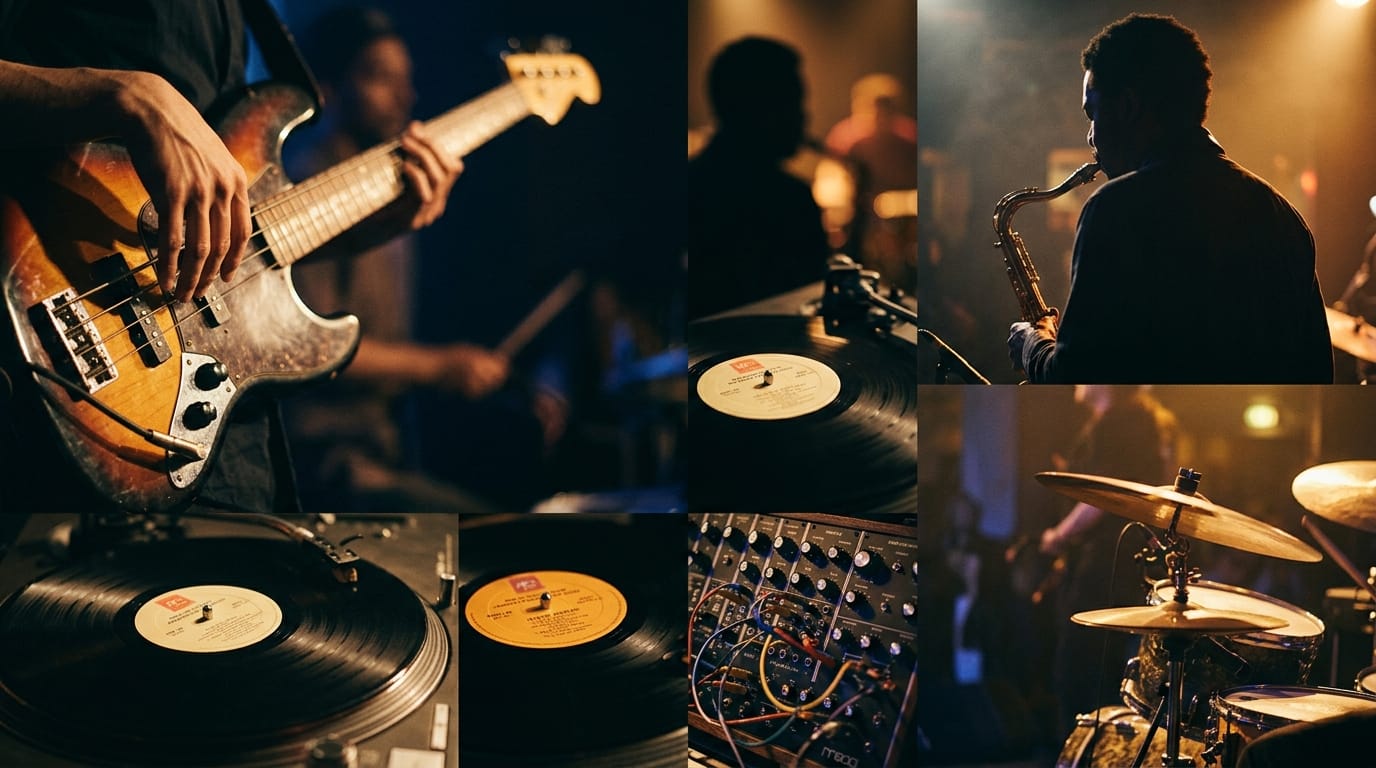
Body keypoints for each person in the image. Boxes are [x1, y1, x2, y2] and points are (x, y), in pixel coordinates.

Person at [0, 1, 462, 513]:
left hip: (212, 432)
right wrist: (129, 97)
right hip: (48, 369)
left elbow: (236, 243)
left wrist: (366, 229)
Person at [283, 6, 538, 513]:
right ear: (328, 89)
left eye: (407, 79)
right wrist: (442, 365)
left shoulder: (391, 184)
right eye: (380, 77)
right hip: (324, 460)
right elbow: (306, 344)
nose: (406, 96)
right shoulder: (307, 188)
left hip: (384, 446)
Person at [1007, 14, 1332, 384]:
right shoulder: (1283, 217)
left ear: (1129, 106)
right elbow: (1317, 371)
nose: (1091, 137)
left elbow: (1076, 374)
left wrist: (1035, 345)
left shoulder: (1114, 209)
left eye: (1092, 114)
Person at [1037, 385, 1177, 735]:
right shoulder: (1134, 421)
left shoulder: (1120, 423)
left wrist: (1058, 536)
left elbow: (1105, 496)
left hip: (1105, 564)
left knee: (1079, 673)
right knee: (1094, 669)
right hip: (1113, 561)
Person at [687, 37, 830, 320]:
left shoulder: (688, 184)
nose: (804, 118)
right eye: (795, 103)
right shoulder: (791, 200)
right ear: (761, 109)